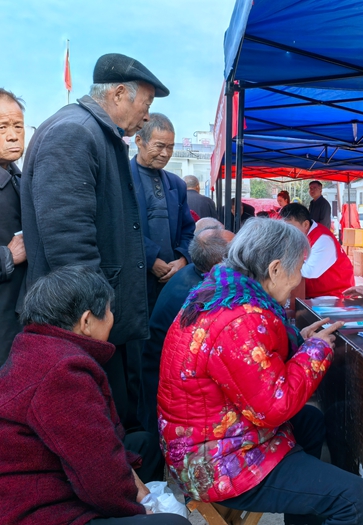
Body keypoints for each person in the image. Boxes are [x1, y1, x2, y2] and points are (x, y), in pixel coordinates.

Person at [157, 219, 363, 525]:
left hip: (207, 439)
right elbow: (274, 407)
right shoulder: (239, 319)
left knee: (310, 422)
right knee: (355, 499)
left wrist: (301, 344)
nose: (299, 278)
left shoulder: (219, 291)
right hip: (215, 462)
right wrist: (316, 351)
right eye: (298, 267)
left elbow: (253, 371)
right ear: (274, 269)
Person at [21, 53, 169, 426]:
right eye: (146, 104)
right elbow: (68, 240)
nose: (147, 115)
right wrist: (95, 312)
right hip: (81, 323)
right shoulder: (74, 132)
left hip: (96, 320)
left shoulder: (95, 134)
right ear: (119, 93)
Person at [0, 266, 188, 525]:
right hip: (33, 507)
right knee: (172, 523)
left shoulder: (36, 346)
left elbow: (98, 444)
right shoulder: (62, 371)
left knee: (145, 443)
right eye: (110, 311)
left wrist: (139, 492)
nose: (112, 318)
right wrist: (141, 509)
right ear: (86, 321)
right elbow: (96, 470)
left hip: (52, 474)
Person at [138, 227, 234, 436]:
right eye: (238, 253)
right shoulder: (201, 296)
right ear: (220, 264)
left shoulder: (193, 272)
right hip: (171, 407)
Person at [132, 113, 195, 312]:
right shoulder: (120, 178)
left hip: (172, 281)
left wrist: (183, 259)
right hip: (134, 282)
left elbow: (188, 230)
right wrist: (151, 260)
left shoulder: (177, 185)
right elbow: (118, 229)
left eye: (170, 147)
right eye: (159, 146)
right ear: (139, 141)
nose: (166, 154)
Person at [0, 88, 26, 365]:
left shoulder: (20, 178)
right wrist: (7, 257)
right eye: (2, 127)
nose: (12, 135)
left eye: (17, 126)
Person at [280, 203, 354, 298]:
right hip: (313, 293)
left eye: (290, 227)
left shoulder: (323, 239)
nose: (287, 231)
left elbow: (309, 272)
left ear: (305, 224)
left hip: (334, 296)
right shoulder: (300, 236)